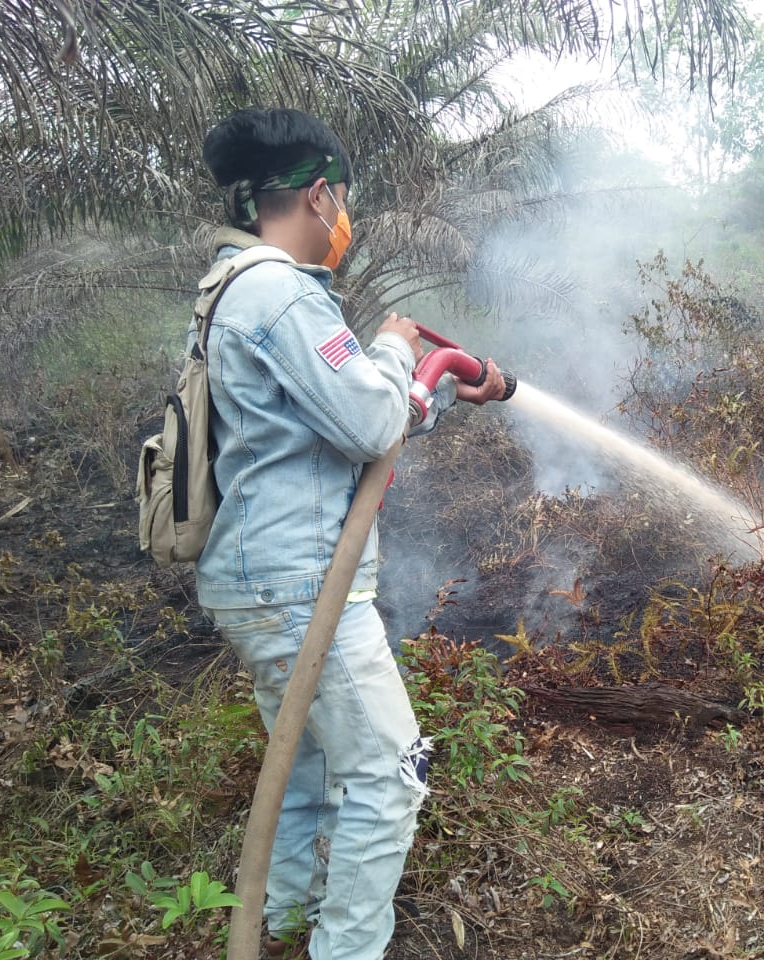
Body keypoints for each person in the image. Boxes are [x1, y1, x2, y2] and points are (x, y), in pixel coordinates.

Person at [197, 107, 506, 960]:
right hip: (303, 585)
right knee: (391, 775)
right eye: (343, 204)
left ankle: (289, 926)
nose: (345, 224)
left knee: (300, 774)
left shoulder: (232, 285)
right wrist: (399, 348)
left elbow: (337, 434)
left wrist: (437, 389)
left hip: (263, 578)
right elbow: (372, 422)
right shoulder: (278, 290)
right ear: (321, 194)